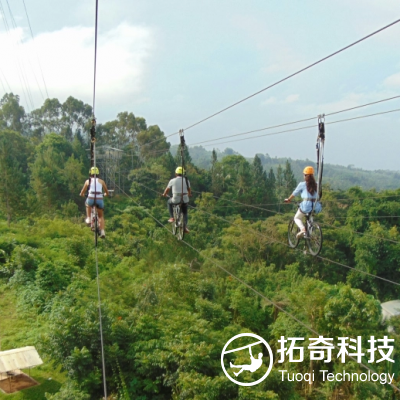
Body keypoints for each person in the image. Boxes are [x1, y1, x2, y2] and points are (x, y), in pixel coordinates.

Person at [284, 166, 322, 237]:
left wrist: (288, 199)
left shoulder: (302, 184)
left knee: (297, 218)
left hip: (306, 205)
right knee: (310, 215)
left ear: (305, 175)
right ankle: (310, 233)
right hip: (316, 206)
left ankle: (303, 229)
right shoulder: (317, 184)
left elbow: (294, 193)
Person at [79, 167, 109, 238]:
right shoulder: (101, 181)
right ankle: (102, 231)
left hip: (91, 197)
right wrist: (104, 194)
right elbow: (107, 192)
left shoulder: (87, 181)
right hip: (99, 198)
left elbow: (82, 192)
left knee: (87, 204)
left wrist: (82, 194)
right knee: (101, 216)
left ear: (90, 173)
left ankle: (89, 218)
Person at [162, 166, 191, 234]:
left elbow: (167, 189)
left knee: (169, 202)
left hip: (175, 199)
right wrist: (189, 194)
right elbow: (189, 189)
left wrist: (164, 194)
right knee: (185, 212)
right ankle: (185, 227)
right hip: (185, 199)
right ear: (183, 174)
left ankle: (172, 217)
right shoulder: (187, 180)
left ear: (176, 174)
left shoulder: (172, 180)